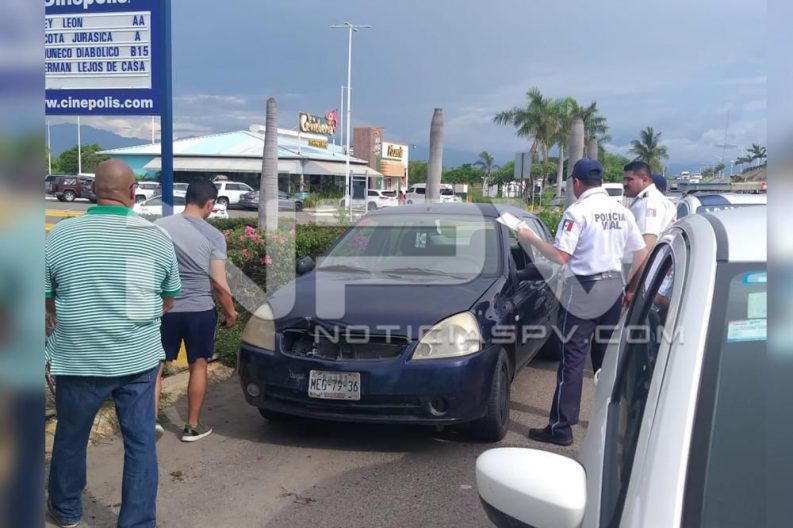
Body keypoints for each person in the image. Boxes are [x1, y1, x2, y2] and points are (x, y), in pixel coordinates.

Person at [46, 160, 181, 528]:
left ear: (93, 190)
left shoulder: (62, 234)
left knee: (71, 438)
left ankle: (66, 511)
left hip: (78, 359)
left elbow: (47, 297)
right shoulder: (155, 236)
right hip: (138, 360)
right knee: (140, 443)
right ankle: (136, 523)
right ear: (133, 192)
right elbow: (168, 299)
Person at [516, 159, 648, 446]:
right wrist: (631, 289)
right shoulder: (621, 211)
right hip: (613, 286)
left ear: (576, 182)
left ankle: (561, 427)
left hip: (583, 289)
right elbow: (640, 254)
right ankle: (613, 422)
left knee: (573, 361)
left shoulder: (577, 212)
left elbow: (560, 257)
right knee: (606, 360)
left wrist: (530, 238)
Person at [154, 181, 237, 442]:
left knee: (156, 366)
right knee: (198, 366)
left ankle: (149, 422)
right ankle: (191, 426)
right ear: (210, 204)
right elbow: (218, 284)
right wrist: (231, 313)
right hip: (199, 311)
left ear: (187, 198)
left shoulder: (159, 226)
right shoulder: (213, 235)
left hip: (165, 309)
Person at [622, 161, 677, 297]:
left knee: (654, 301)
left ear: (644, 180)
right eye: (624, 179)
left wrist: (632, 288)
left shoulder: (649, 202)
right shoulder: (644, 200)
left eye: (630, 179)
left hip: (646, 273)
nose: (625, 183)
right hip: (647, 271)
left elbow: (645, 249)